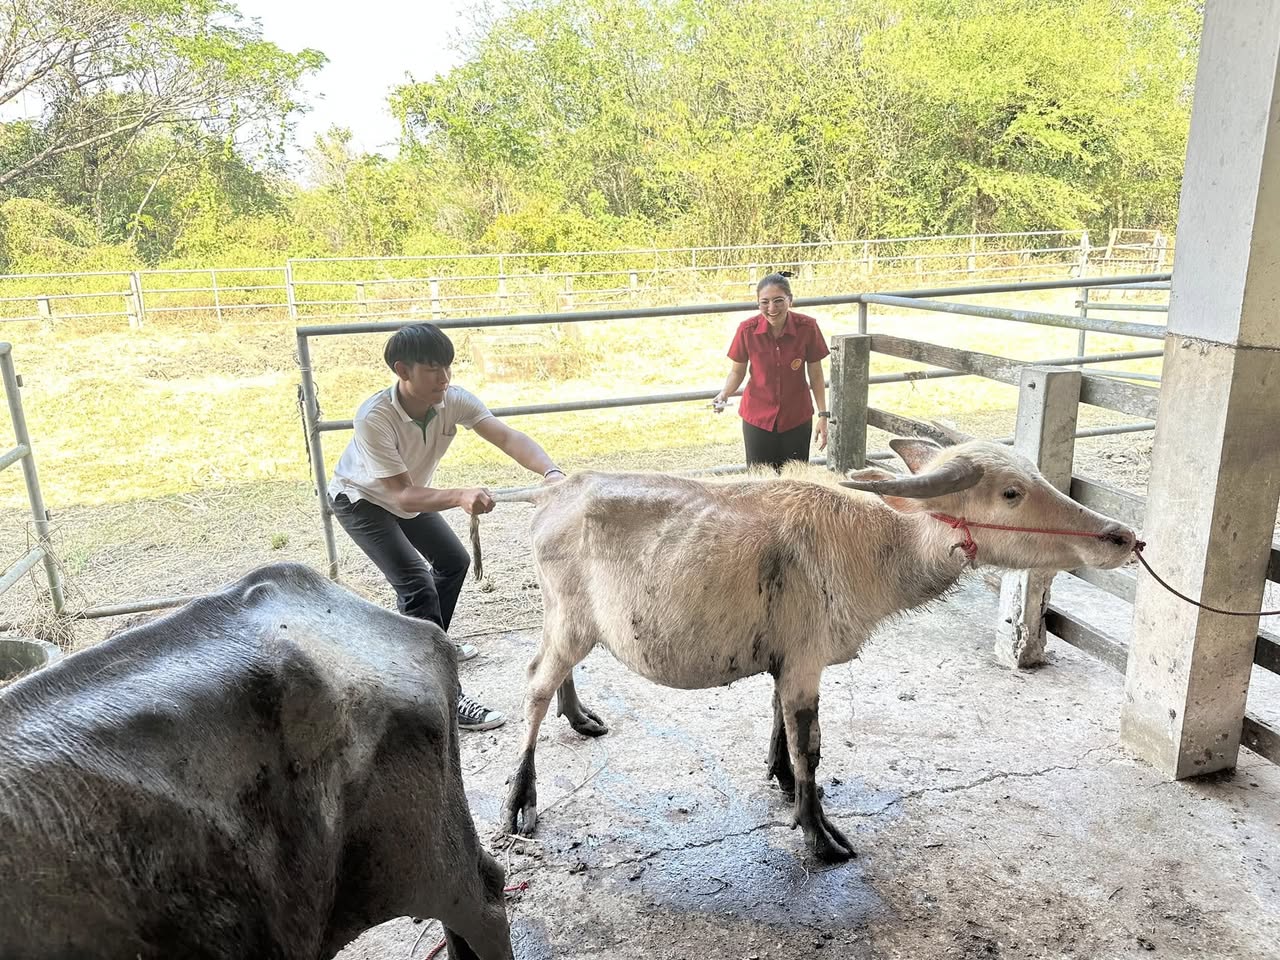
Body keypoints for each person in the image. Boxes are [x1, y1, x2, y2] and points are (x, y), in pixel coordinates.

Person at [328, 322, 565, 731]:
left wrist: (552, 473)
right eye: (432, 369)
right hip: (363, 500)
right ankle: (442, 694)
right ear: (403, 370)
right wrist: (458, 496)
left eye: (448, 367)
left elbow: (507, 437)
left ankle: (428, 644)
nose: (444, 378)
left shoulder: (452, 400)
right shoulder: (375, 416)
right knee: (416, 584)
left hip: (408, 493)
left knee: (453, 562)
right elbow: (401, 496)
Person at [712, 273, 831, 471]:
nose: (772, 308)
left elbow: (816, 375)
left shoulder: (807, 327)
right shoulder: (746, 330)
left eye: (778, 301)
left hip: (796, 417)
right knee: (760, 481)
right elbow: (737, 372)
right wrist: (724, 393)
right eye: (764, 302)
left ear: (790, 300)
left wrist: (823, 415)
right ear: (758, 303)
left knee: (795, 480)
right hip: (757, 417)